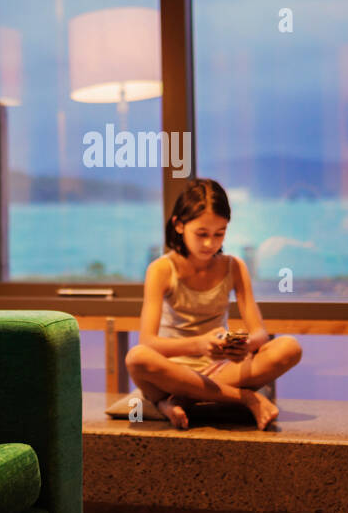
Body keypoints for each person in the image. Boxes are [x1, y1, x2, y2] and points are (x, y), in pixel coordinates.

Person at [124, 179, 302, 430]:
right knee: (137, 358)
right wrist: (198, 344)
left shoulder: (234, 267)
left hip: (221, 368)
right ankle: (243, 398)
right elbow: (148, 342)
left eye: (219, 234)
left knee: (289, 347)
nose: (210, 243)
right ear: (178, 225)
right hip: (173, 371)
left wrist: (244, 346)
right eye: (202, 234)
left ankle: (181, 399)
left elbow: (260, 332)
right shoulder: (162, 269)